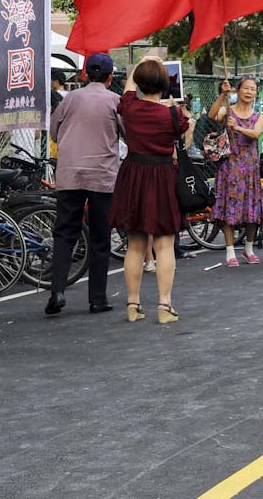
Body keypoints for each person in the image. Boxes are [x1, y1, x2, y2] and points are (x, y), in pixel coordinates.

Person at [110, 56, 188, 324]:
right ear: (165, 84)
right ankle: (165, 306)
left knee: (135, 244)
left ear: (141, 82)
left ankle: (133, 304)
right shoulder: (172, 114)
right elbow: (184, 129)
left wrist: (143, 61)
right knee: (165, 243)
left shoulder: (130, 108)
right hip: (163, 177)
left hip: (133, 175)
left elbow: (128, 90)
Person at [45, 52, 122, 316]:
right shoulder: (115, 102)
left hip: (69, 174)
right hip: (102, 176)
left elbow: (54, 131)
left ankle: (57, 290)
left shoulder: (70, 99)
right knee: (101, 237)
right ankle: (97, 299)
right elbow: (127, 135)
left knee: (65, 233)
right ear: (111, 77)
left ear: (85, 74)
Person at [208, 76, 263, 266]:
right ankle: (230, 251)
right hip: (230, 166)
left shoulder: (259, 116)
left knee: (251, 209)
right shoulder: (228, 110)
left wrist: (237, 127)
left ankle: (248, 249)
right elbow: (212, 115)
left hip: (250, 168)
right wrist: (223, 95)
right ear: (238, 90)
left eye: (253, 89)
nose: (249, 92)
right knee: (229, 207)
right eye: (246, 88)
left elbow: (256, 134)